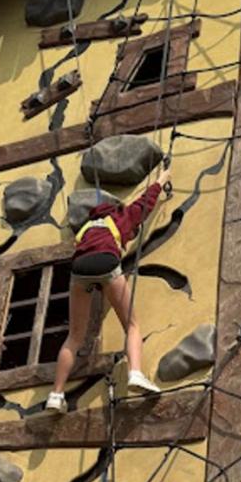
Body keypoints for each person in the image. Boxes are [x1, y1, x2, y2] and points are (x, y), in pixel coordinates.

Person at [45, 164, 172, 411]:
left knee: (74, 336)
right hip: (107, 263)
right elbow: (145, 202)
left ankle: (55, 395)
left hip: (79, 270)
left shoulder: (84, 229)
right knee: (132, 325)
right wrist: (162, 178)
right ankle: (135, 372)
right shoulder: (121, 217)